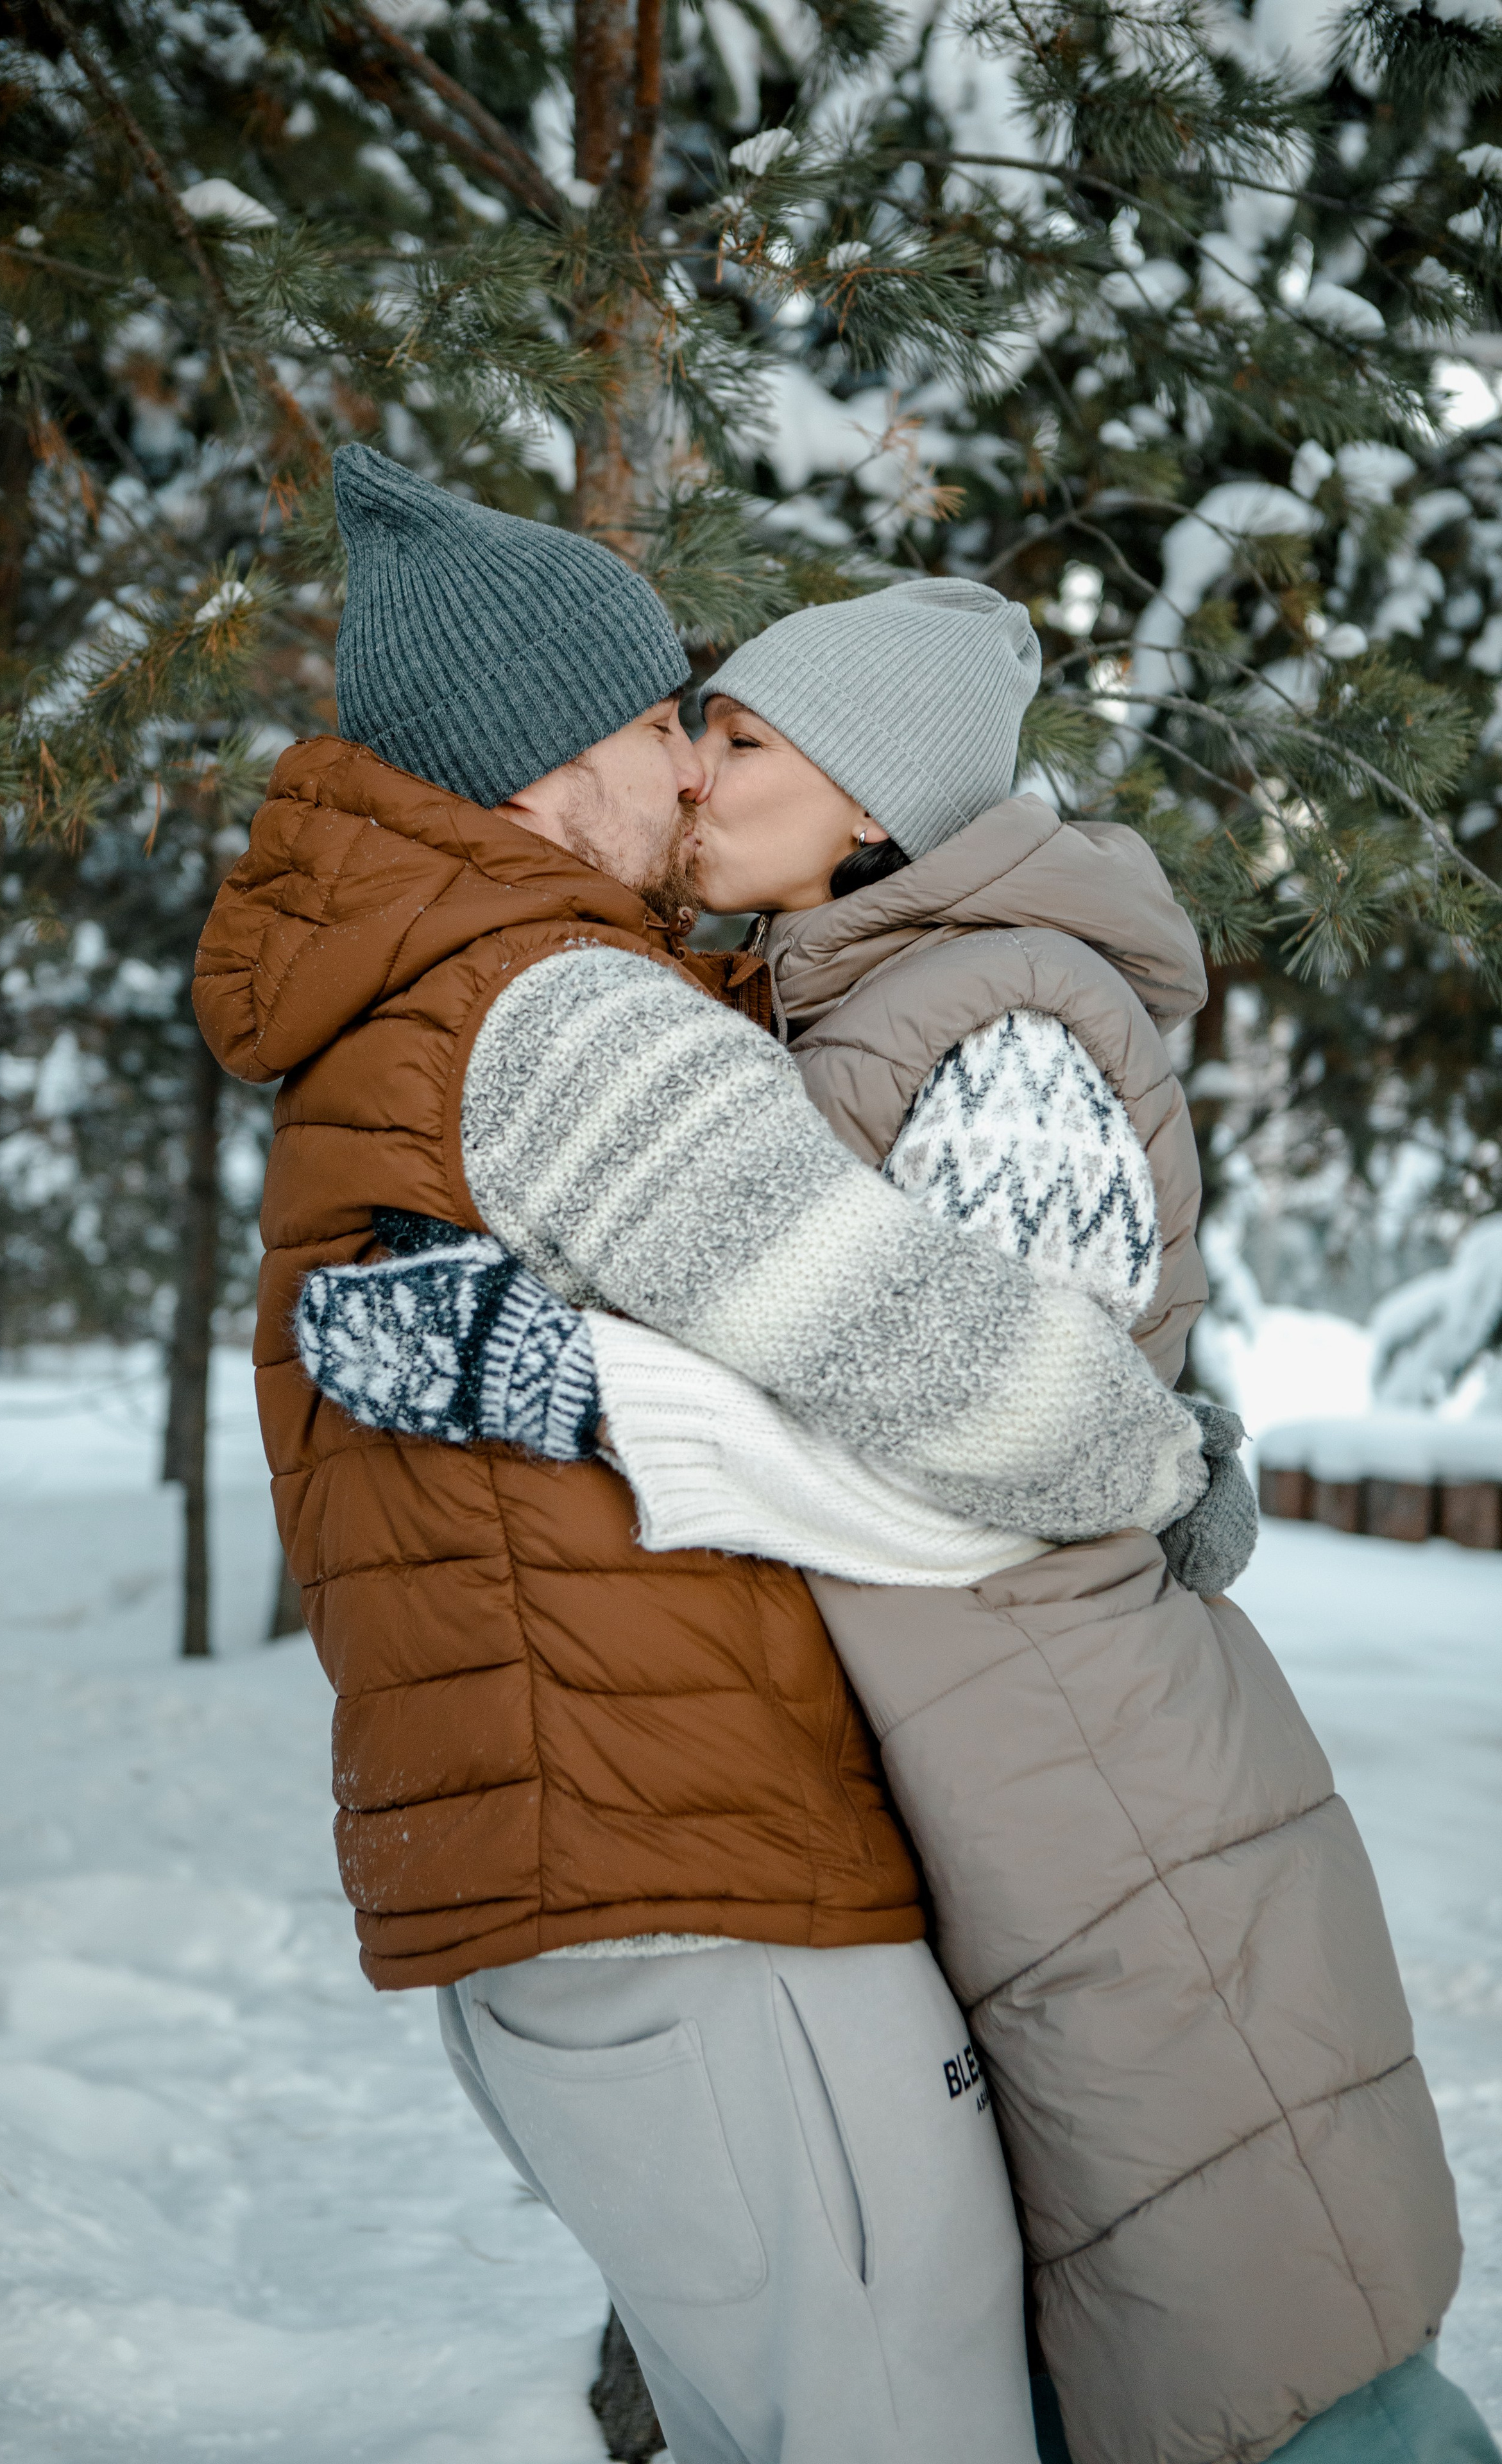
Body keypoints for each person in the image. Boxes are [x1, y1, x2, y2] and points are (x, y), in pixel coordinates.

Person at [294, 569, 1498, 2464]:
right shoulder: (827, 999)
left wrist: (583, 1385)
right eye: (689, 732)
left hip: (1081, 1752)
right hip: (967, 1747)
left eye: (745, 740)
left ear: (868, 801)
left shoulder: (992, 1017)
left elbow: (1027, 1443)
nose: (695, 776)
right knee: (1101, 2311)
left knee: (1259, 2302)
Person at [194, 445, 1218, 2464]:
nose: (690, 769)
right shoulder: (568, 1013)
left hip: (578, 1879)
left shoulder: (400, 1000)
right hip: (706, 1899)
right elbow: (1032, 1409)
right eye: (673, 720)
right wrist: (1172, 1450)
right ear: (558, 751)